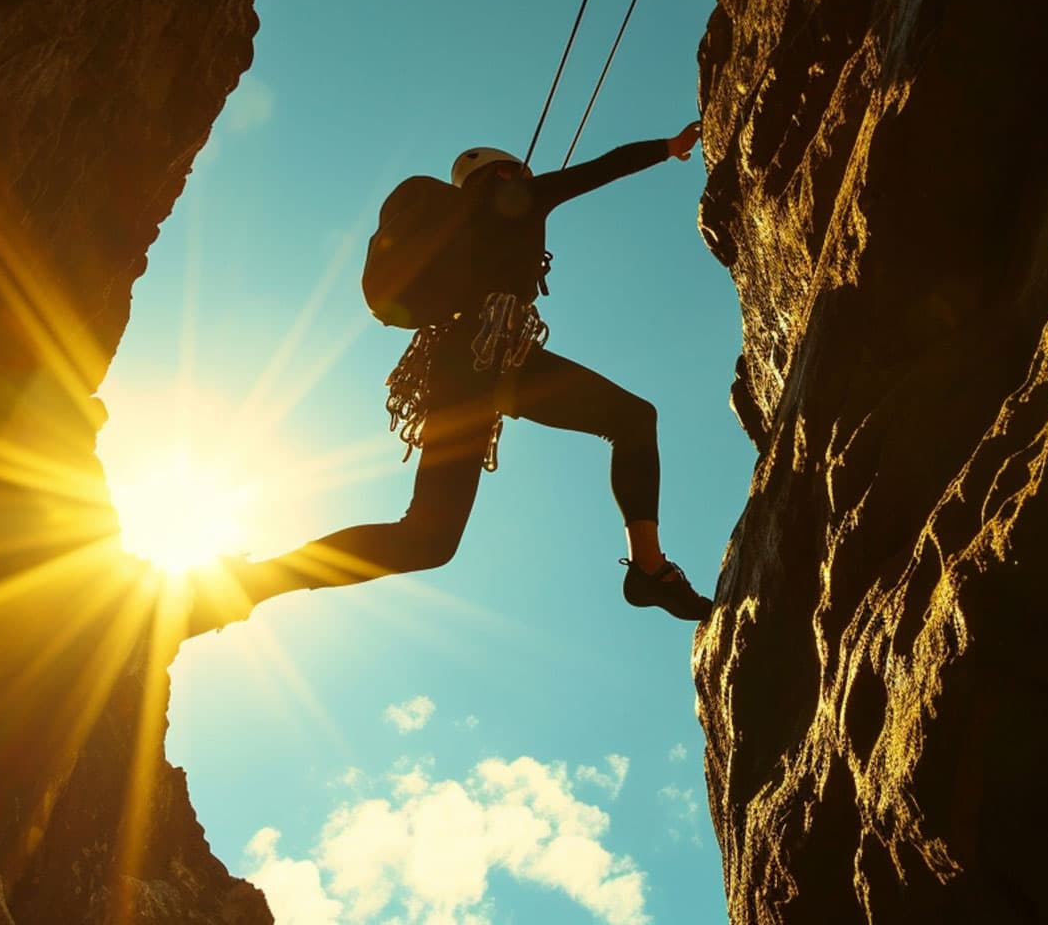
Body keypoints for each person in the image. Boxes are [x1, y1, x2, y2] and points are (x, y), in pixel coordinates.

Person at [232, 121, 712, 621]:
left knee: (428, 540)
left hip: (457, 366)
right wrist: (667, 147)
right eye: (518, 171)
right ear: (505, 172)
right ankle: (649, 569)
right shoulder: (520, 195)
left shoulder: (459, 221)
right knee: (632, 420)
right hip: (493, 356)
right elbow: (600, 169)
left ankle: (260, 581)